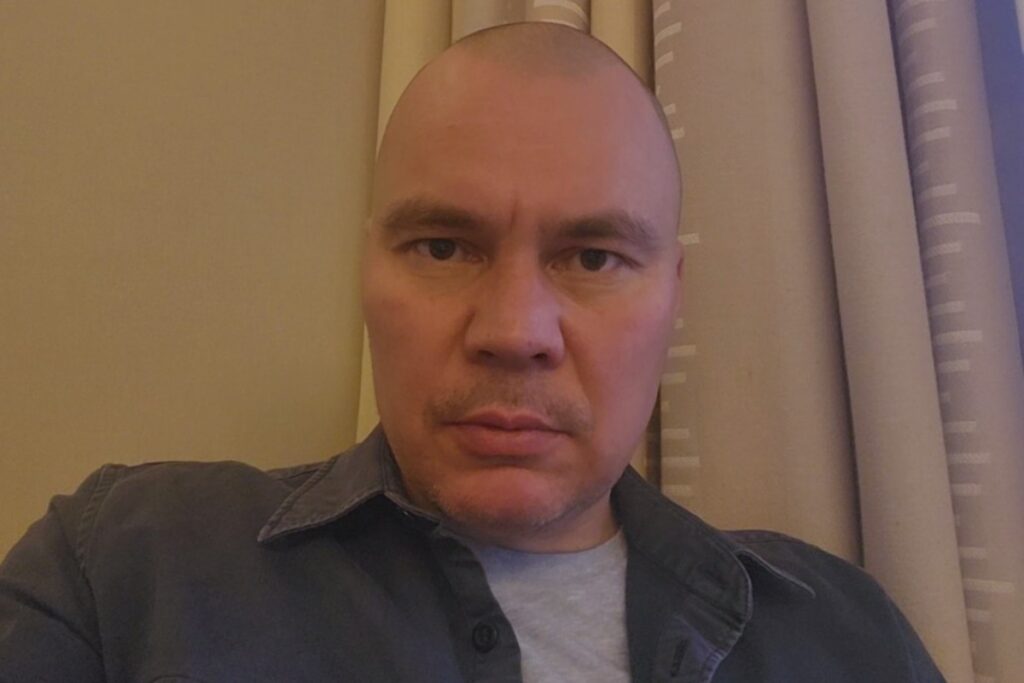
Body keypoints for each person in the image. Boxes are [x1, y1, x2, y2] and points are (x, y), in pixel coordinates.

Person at [0, 22, 945, 683]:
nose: (514, 330)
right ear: (368, 272)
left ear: (674, 300)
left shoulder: (848, 633)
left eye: (593, 257)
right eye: (444, 247)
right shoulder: (124, 569)